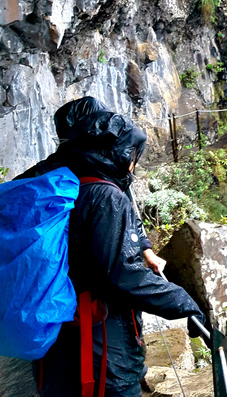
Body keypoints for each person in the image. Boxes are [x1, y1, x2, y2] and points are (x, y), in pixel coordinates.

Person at [34, 110, 206, 397]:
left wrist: (145, 247)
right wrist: (184, 302)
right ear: (115, 152)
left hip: (55, 324)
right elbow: (123, 275)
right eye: (131, 156)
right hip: (99, 333)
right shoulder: (105, 195)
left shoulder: (58, 179)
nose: (132, 166)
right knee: (116, 386)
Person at [15, 97, 167, 273]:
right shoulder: (46, 174)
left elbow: (128, 214)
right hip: (64, 270)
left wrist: (148, 252)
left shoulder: (107, 171)